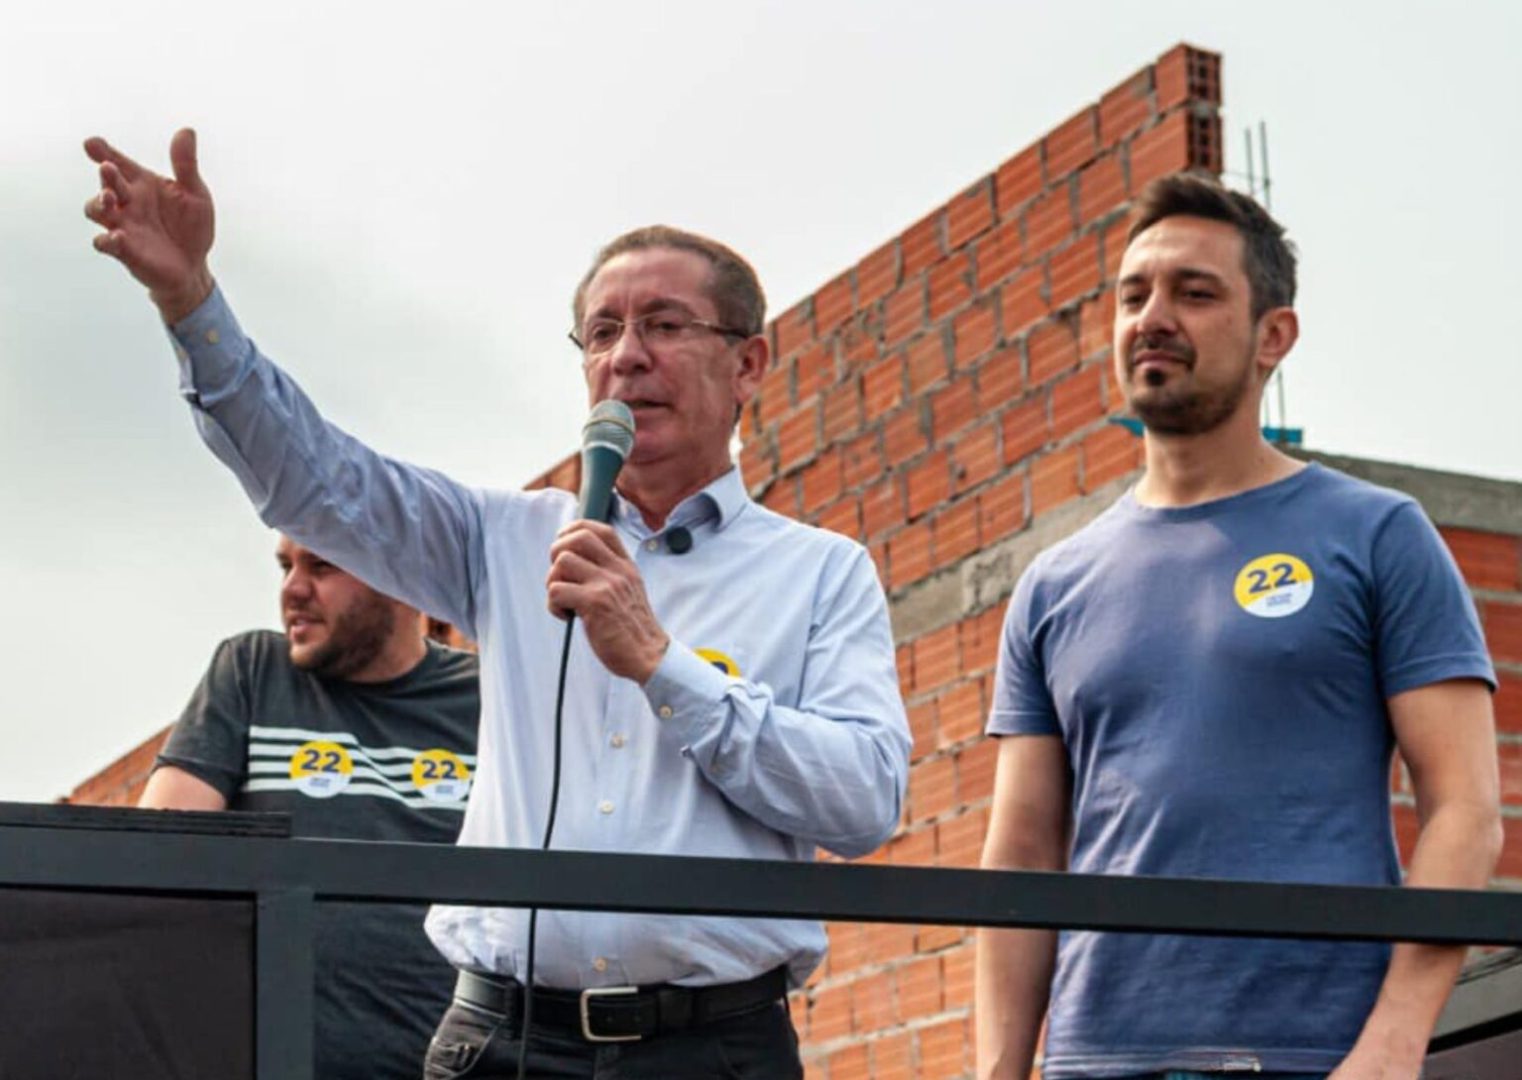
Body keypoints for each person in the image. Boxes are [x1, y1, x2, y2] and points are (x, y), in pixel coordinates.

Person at [86, 129, 910, 1079]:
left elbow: (863, 802)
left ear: (750, 364)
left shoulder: (821, 573)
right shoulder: (505, 538)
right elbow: (315, 477)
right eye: (601, 333)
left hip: (713, 1049)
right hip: (504, 1041)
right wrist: (190, 300)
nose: (626, 357)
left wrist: (661, 665)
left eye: (664, 325)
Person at [975, 172, 1502, 1080]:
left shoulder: (1377, 534)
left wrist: (1392, 1045)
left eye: (1194, 293)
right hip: (1097, 1059)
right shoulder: (1054, 585)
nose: (1152, 318)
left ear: (1274, 335)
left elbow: (1467, 808)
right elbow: (1022, 855)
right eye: (1133, 296)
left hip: (1316, 1054)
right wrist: (997, 1070)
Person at [140, 534, 481, 1080]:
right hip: (272, 1062)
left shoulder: (488, 702)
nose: (292, 590)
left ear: (403, 576)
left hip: (450, 1066)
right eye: (286, 566)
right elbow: (150, 865)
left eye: (321, 566)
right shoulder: (252, 672)